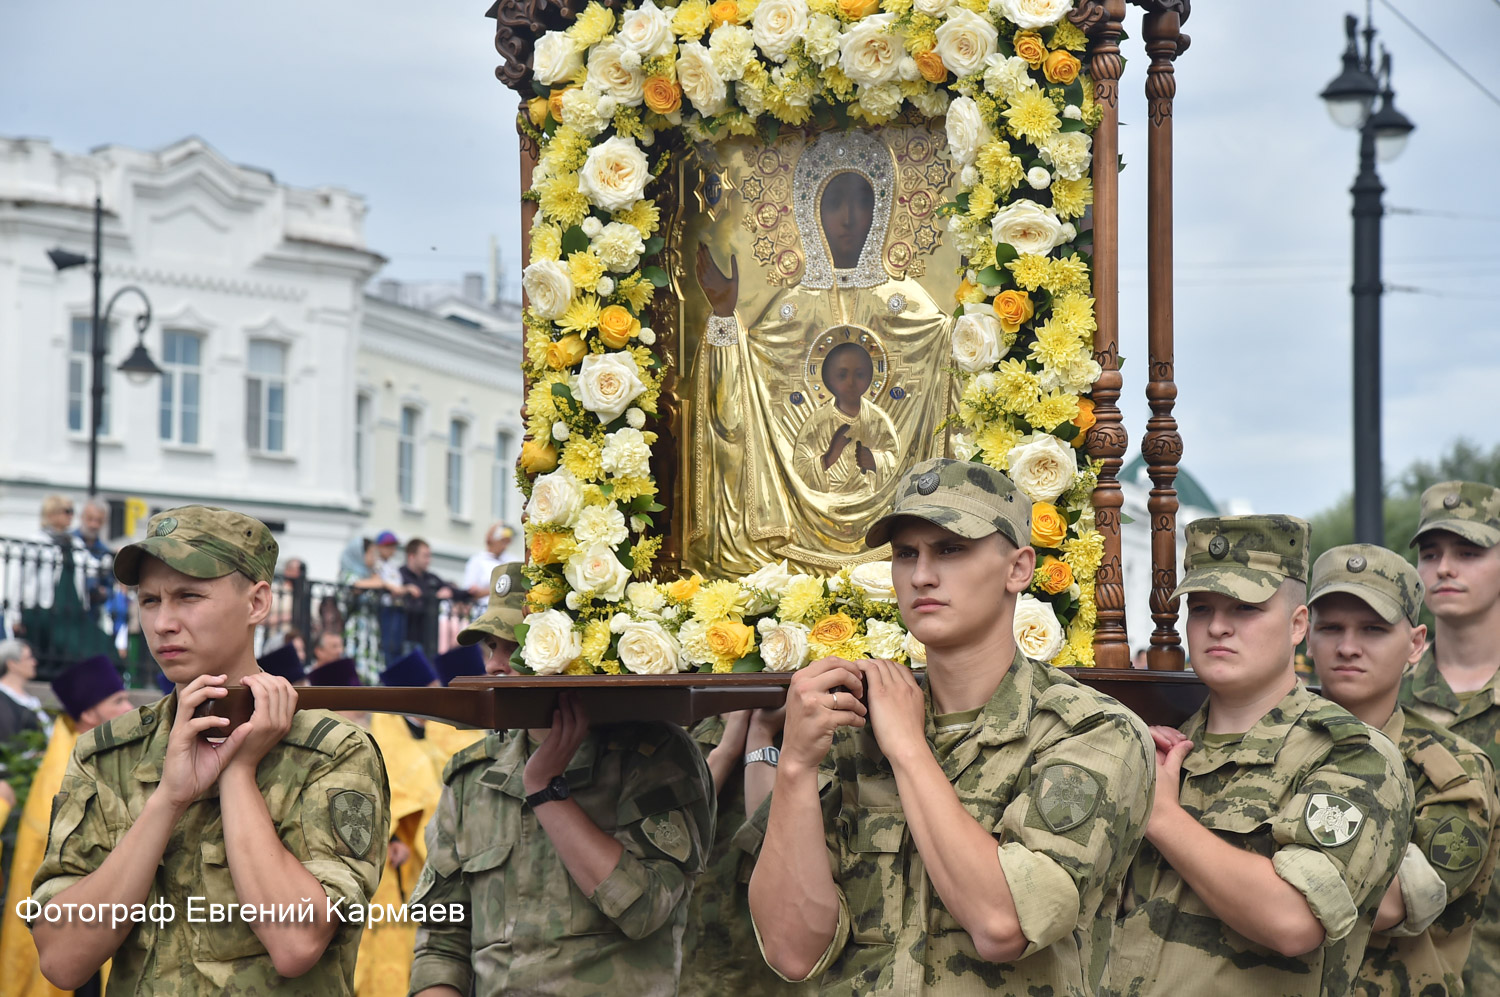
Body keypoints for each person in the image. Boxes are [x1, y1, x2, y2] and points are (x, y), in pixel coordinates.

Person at [749, 458, 1155, 993]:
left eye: (951, 549)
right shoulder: (850, 725)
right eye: (905, 554)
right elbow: (792, 951)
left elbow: (1003, 924)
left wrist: (909, 751)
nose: (921, 575)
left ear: (1018, 568)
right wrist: (797, 766)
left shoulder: (1092, 731)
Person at [28, 505, 390, 995]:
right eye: (149, 600)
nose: (163, 623)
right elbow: (63, 961)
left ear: (257, 603)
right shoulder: (106, 755)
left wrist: (238, 775)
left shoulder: (331, 752)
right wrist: (167, 801)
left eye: (189, 596)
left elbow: (297, 941)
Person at [1103, 515, 1414, 997]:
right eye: (1202, 608)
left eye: (1245, 609)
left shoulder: (1353, 756)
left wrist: (1162, 816)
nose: (1218, 627)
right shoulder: (1160, 748)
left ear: (1297, 625)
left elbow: (1292, 919)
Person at [408, 562, 715, 996]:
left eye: (513, 647)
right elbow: (441, 943)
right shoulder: (472, 774)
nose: (495, 666)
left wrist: (547, 791)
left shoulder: (652, 755)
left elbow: (646, 910)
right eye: (489, 648)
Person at [1308, 543, 1499, 996]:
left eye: (1373, 629)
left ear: (1415, 645)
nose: (1348, 647)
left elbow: (1391, 905)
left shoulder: (1452, 771)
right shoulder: (1270, 740)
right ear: (1305, 633)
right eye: (1331, 627)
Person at [1400, 480, 1500, 993]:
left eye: (1469, 552)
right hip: (1408, 971)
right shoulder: (1384, 696)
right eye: (1431, 553)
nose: (1444, 568)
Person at [0, 654, 135, 997]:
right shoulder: (65, 775)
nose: (128, 707)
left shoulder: (108, 754)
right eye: (118, 700)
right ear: (89, 714)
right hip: (75, 927)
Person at [682, 706, 803, 995]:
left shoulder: (813, 735)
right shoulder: (687, 734)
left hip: (774, 974)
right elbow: (670, 837)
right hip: (691, 969)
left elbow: (780, 852)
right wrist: (726, 751)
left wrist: (761, 737)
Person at [790, 341, 900, 496]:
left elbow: (897, 461)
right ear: (829, 379)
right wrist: (828, 458)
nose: (851, 382)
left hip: (868, 501)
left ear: (870, 377)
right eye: (842, 375)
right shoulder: (818, 421)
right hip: (826, 503)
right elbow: (799, 468)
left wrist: (875, 461)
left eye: (859, 375)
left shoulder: (877, 419)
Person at [400, 538, 456, 654]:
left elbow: (454, 590)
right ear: (411, 556)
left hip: (429, 639)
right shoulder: (400, 575)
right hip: (406, 637)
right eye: (425, 556)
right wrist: (434, 597)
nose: (428, 560)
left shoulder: (431, 578)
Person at [0, 639, 51, 741]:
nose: (34, 662)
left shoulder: (29, 698)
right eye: (29, 658)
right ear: (12, 664)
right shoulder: (2, 697)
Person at [462, 524, 518, 609]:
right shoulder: (477, 560)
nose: (504, 546)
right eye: (502, 541)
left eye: (507, 542)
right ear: (491, 540)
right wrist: (500, 590)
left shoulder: (512, 560)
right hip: (483, 609)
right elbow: (471, 592)